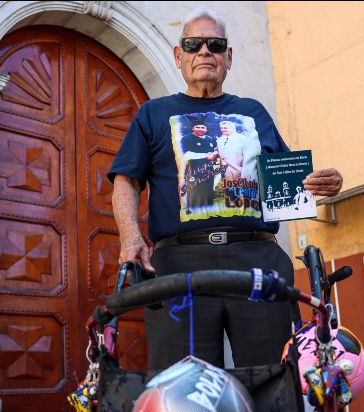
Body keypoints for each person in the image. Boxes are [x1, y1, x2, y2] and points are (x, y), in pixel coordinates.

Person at [108, 8, 343, 370]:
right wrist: (130, 237)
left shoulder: (254, 112)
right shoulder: (153, 114)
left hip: (257, 258)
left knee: (273, 375)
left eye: (215, 45)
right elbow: (126, 179)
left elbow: (286, 180)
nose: (204, 51)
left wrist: (321, 184)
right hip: (178, 264)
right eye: (193, 44)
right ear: (179, 56)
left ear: (228, 57)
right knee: (183, 383)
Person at [180, 121, 218, 210]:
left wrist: (214, 154)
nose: (200, 129)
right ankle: (193, 211)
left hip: (209, 170)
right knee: (194, 192)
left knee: (208, 191)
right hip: (193, 169)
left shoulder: (210, 139)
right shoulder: (186, 139)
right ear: (193, 128)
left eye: (203, 127)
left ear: (206, 129)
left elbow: (216, 150)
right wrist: (206, 156)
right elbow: (186, 154)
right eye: (198, 127)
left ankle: (208, 210)